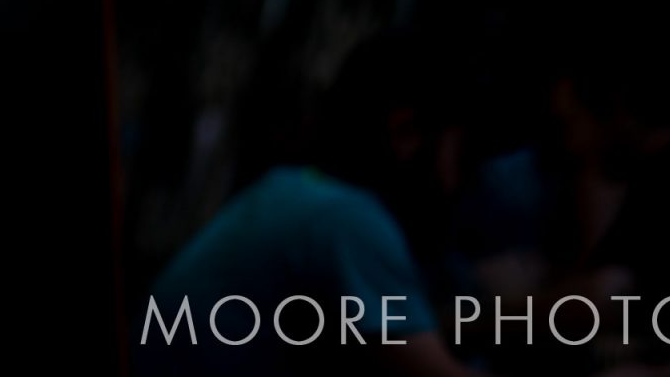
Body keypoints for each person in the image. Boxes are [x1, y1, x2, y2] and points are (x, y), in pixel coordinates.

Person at [144, 32, 474, 377]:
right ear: (405, 132)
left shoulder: (290, 189)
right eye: (460, 157)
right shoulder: (349, 221)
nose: (456, 184)